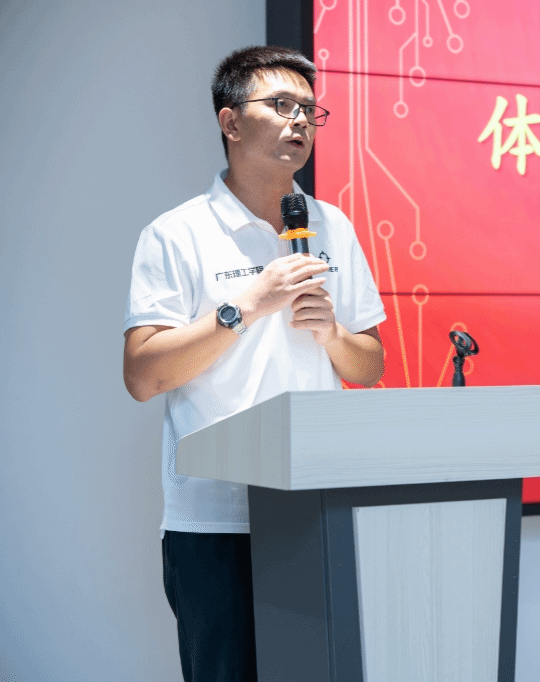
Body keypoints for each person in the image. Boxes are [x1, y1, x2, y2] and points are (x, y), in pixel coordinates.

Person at [122, 45, 386, 681]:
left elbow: (370, 364)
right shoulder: (177, 233)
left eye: (309, 111)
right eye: (282, 105)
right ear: (231, 122)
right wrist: (246, 307)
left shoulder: (333, 226)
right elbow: (143, 375)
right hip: (217, 521)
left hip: (317, 508)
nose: (300, 122)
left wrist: (332, 333)